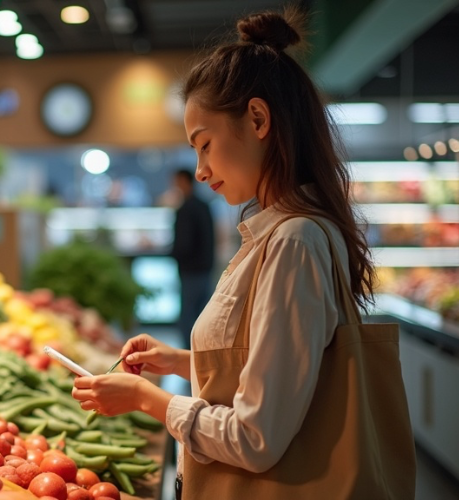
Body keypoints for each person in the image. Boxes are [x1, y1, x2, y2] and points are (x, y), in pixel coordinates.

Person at [72, 8, 415, 499]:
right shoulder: (281, 232)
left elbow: (256, 438)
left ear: (257, 118)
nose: (201, 169)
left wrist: (150, 401)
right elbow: (280, 370)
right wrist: (182, 362)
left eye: (204, 145)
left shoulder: (293, 241)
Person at [171, 168, 215, 348]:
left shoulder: (186, 209)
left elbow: (184, 244)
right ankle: (200, 363)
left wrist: (173, 254)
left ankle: (189, 363)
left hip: (191, 271)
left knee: (188, 318)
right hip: (205, 269)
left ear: (183, 181)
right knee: (203, 318)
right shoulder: (204, 206)